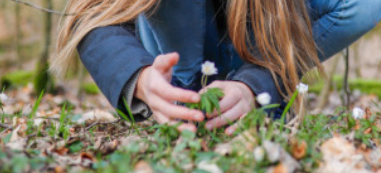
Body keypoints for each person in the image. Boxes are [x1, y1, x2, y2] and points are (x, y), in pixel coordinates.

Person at [52, 0, 381, 135]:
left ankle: (246, 102)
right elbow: (92, 13)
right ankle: (182, 104)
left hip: (258, 72)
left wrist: (253, 85)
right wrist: (140, 78)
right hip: (173, 75)